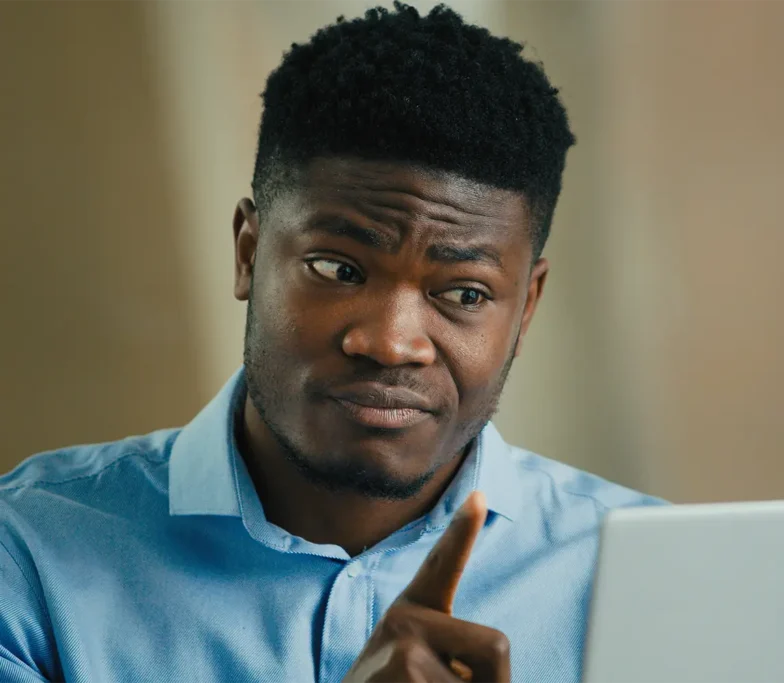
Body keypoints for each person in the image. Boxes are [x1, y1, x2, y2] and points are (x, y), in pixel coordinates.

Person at [0, 4, 662, 682]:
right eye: (338, 269)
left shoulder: (656, 580)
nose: (391, 342)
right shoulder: (26, 554)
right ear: (248, 254)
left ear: (526, 307)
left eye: (464, 293)